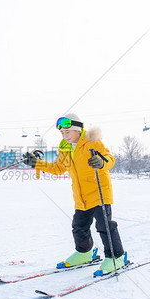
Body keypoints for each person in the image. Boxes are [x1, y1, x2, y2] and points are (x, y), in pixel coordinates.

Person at [23, 114, 126, 275]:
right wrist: (36, 163)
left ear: (78, 130)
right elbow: (58, 168)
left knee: (104, 225)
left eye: (68, 132)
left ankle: (117, 256)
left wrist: (102, 162)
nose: (65, 136)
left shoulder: (93, 141)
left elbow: (109, 158)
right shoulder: (65, 147)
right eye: (62, 133)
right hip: (81, 195)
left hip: (99, 192)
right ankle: (84, 252)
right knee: (79, 226)